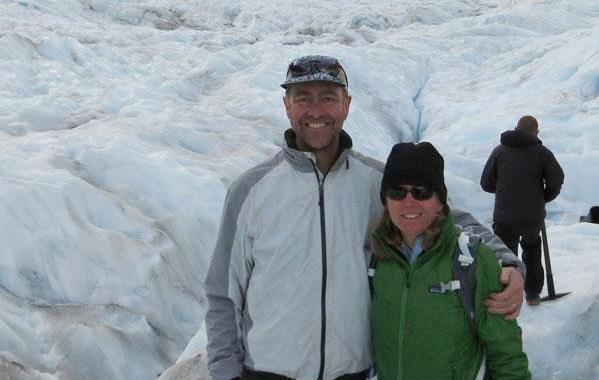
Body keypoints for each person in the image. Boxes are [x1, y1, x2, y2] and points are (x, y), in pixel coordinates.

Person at [205, 55, 525, 380]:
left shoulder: (376, 183)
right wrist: (225, 374)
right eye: (303, 99)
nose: (316, 111)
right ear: (287, 105)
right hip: (267, 373)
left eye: (328, 98)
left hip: (352, 373)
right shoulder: (251, 190)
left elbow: (447, 218)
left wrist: (509, 264)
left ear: (346, 105)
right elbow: (222, 294)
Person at [371, 142, 531, 380]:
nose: (408, 201)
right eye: (397, 191)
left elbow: (507, 354)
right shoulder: (378, 258)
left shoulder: (470, 260)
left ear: (440, 202)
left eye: (421, 191)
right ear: (385, 199)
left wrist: (511, 265)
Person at [481, 115, 564, 306]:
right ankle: (533, 294)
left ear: (516, 128)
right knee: (532, 249)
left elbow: (485, 182)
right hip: (531, 216)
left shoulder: (499, 152)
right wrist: (544, 196)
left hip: (504, 216)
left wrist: (504, 190)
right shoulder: (542, 153)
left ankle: (504, 296)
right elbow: (557, 179)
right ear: (536, 132)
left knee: (504, 255)